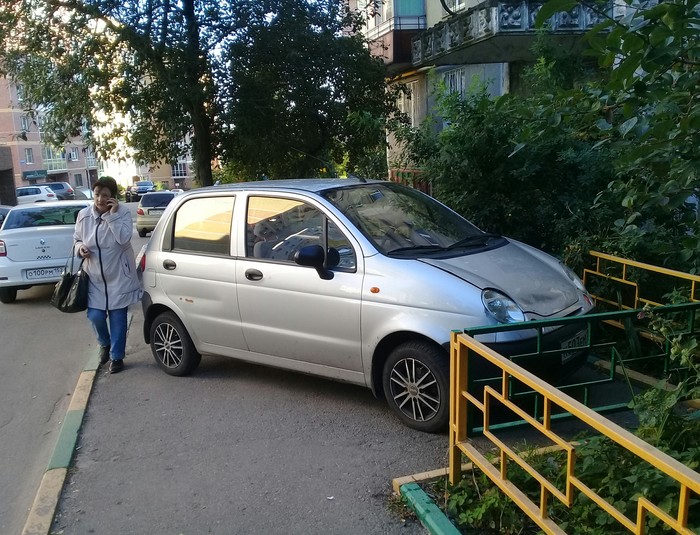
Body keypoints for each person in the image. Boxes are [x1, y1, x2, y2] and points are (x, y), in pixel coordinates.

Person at [74, 176, 142, 374]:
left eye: (105, 195)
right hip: (94, 277)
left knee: (118, 319)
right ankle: (104, 344)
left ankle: (117, 357)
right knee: (95, 316)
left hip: (118, 276)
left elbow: (123, 239)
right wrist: (80, 248)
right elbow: (76, 239)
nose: (100, 199)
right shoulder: (84, 215)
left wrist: (111, 215)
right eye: (96, 194)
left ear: (113, 197)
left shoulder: (121, 214)